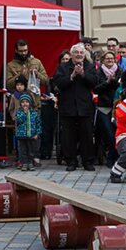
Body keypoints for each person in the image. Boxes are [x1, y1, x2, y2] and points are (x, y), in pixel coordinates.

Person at [53, 43, 97, 171]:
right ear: (71, 54)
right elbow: (58, 83)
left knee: (87, 135)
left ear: (84, 54)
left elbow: (94, 82)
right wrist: (71, 76)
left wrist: (83, 74)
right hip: (68, 106)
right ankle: (71, 161)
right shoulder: (63, 67)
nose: (79, 55)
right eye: (76, 52)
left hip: (85, 107)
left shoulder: (89, 66)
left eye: (81, 53)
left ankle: (87, 161)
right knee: (68, 136)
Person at [93, 51, 120, 167]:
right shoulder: (98, 72)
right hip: (103, 107)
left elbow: (120, 86)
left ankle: (112, 157)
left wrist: (113, 82)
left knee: (116, 133)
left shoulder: (120, 71)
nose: (110, 60)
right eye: (107, 58)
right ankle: (112, 156)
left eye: (111, 58)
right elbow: (96, 89)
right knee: (108, 134)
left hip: (116, 107)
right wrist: (107, 82)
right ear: (103, 60)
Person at [15, 94, 41, 171]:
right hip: (21, 135)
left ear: (30, 103)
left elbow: (38, 124)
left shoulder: (34, 113)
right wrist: (25, 113)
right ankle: (24, 163)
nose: (25, 104)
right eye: (23, 102)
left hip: (31, 135)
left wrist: (37, 133)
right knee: (23, 150)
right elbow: (19, 121)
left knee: (31, 150)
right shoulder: (19, 113)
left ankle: (30, 163)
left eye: (27, 102)